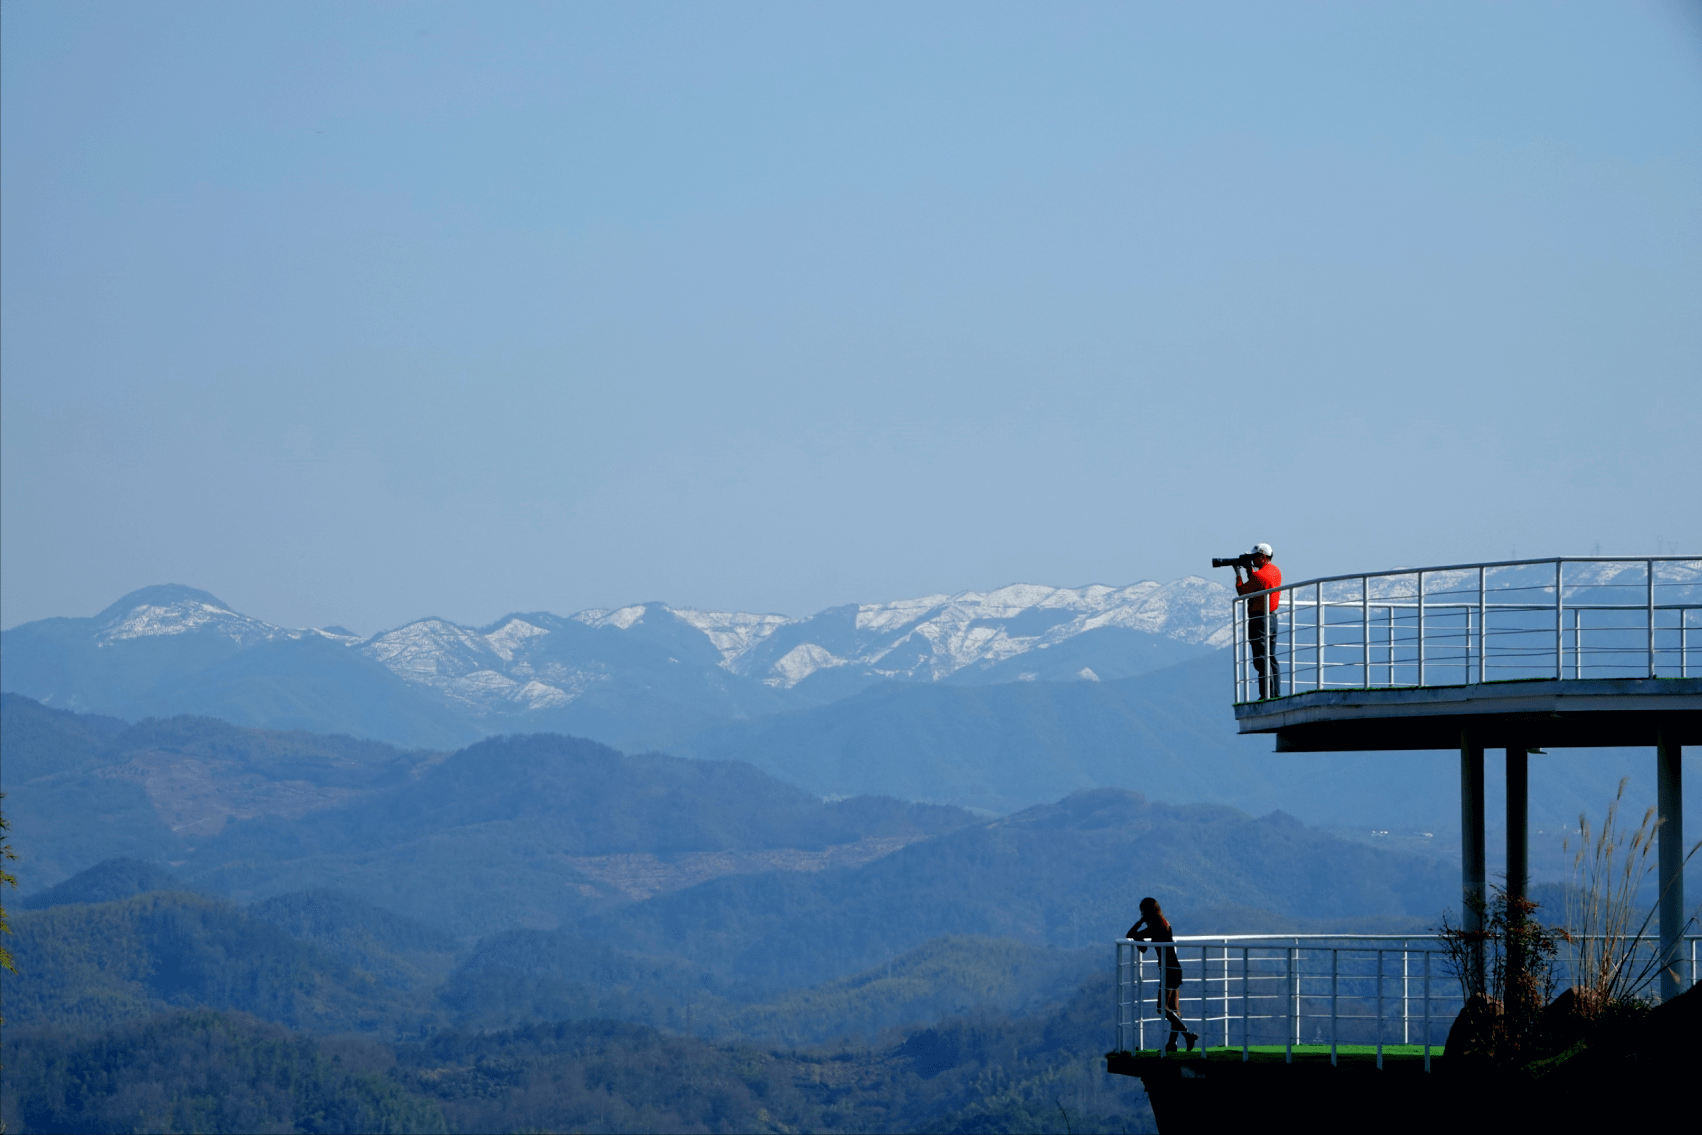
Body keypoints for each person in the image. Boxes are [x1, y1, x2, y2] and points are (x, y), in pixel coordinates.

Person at [1126, 896, 1199, 1052]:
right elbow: (1143, 946)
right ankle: (1171, 1044)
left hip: (1169, 970)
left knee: (1162, 1008)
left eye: (1143, 913)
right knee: (1173, 1009)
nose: (1142, 916)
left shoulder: (1156, 927)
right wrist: (1140, 930)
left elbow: (1130, 935)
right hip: (1174, 969)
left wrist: (1139, 924)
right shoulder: (1163, 923)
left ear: (1149, 912)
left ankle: (1187, 1035)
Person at [1234, 543, 1282, 699]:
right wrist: (1250, 570)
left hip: (1258, 619)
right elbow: (1258, 586)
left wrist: (1238, 574)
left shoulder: (1258, 576)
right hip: (1272, 617)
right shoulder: (1276, 571)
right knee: (1271, 657)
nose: (1253, 560)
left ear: (1262, 556)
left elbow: (1243, 592)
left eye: (1255, 557)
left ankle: (1265, 694)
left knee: (1261, 658)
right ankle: (1275, 693)